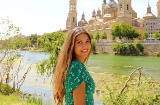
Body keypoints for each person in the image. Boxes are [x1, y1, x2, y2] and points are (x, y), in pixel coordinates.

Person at [53, 27, 95, 105]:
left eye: (87, 41)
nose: (85, 45)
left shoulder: (73, 65)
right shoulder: (77, 67)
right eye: (79, 42)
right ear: (72, 45)